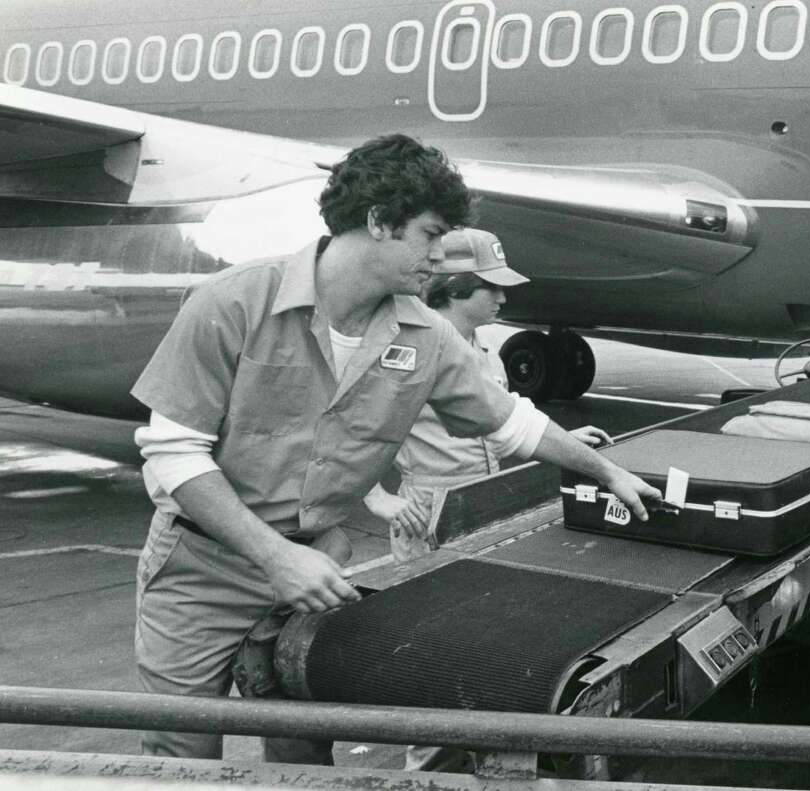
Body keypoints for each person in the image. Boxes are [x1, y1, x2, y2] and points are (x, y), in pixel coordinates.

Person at [129, 133, 660, 764]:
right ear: (379, 221)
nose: (440, 256)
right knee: (180, 746)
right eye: (431, 234)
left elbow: (512, 422)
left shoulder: (426, 333)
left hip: (316, 563)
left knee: (303, 743)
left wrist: (605, 470)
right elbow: (175, 453)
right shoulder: (233, 302)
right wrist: (273, 556)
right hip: (203, 566)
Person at [381, 228, 610, 547]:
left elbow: (497, 431)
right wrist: (376, 498)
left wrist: (560, 442)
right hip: (427, 508)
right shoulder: (408, 348)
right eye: (491, 288)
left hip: (486, 496)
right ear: (456, 288)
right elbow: (341, 430)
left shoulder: (486, 351)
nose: (503, 298)